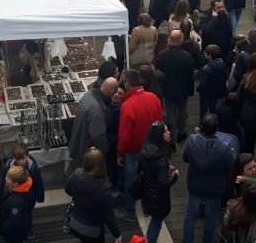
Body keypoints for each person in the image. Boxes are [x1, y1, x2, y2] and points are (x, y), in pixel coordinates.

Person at [117, 69, 163, 222]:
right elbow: (160, 121)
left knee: (130, 179)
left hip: (133, 150)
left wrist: (120, 153)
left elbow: (125, 134)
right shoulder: (153, 97)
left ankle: (129, 211)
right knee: (149, 179)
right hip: (152, 148)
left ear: (127, 83)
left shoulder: (128, 105)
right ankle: (146, 208)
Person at [181, 114, 236, 243]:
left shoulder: (192, 141)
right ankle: (208, 240)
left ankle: (187, 240)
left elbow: (185, 157)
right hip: (215, 188)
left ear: (201, 127)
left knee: (191, 214)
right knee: (211, 216)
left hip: (195, 185)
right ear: (217, 128)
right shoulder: (225, 149)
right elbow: (231, 167)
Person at [65, 148, 122, 243]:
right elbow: (109, 216)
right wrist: (117, 234)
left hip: (75, 223)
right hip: (92, 230)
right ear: (100, 166)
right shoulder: (103, 189)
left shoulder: (75, 177)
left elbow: (68, 190)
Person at [139, 121, 179, 243]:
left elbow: (151, 170)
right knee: (156, 223)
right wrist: (174, 176)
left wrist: (165, 168)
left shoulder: (146, 149)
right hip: (158, 199)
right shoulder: (161, 159)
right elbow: (163, 184)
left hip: (148, 193)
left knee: (155, 221)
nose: (169, 132)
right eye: (166, 131)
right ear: (159, 136)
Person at [156, 30, 195, 145]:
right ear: (181, 40)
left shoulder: (162, 54)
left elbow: (159, 73)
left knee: (170, 113)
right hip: (183, 90)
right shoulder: (187, 56)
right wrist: (191, 90)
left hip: (168, 89)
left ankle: (171, 136)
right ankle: (181, 132)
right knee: (182, 112)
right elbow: (190, 76)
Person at [69, 77, 119, 166]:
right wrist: (107, 148)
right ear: (111, 92)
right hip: (87, 153)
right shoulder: (97, 109)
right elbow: (98, 136)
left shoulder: (89, 94)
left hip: (77, 142)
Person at [0, 144, 45, 238]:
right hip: (11, 195)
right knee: (11, 213)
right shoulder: (8, 166)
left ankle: (28, 229)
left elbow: (39, 182)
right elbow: (3, 183)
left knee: (26, 213)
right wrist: (1, 199)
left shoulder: (33, 167)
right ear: (13, 157)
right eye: (17, 159)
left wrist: (40, 197)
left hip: (29, 196)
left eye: (22, 159)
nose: (20, 162)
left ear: (27, 155)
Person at [0, 166, 33, 243]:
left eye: (8, 178)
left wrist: (3, 229)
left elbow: (14, 222)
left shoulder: (15, 202)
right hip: (21, 229)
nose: (5, 179)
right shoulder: (24, 191)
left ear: (15, 184)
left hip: (14, 233)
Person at [199, 44, 228, 123]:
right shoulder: (223, 64)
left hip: (207, 94)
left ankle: (203, 126)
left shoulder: (206, 68)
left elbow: (203, 84)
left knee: (204, 111)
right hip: (218, 92)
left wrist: (199, 90)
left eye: (205, 53)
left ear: (209, 56)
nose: (204, 54)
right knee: (215, 110)